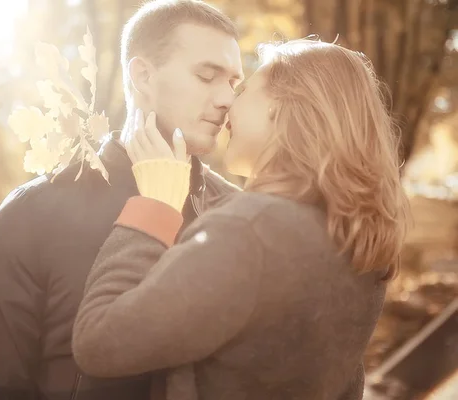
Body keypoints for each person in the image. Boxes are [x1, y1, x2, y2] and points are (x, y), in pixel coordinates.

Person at [72, 39, 412, 400]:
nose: (227, 101)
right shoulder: (357, 238)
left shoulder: (251, 231)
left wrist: (156, 206)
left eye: (244, 88)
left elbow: (98, 342)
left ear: (279, 108)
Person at [0, 1, 243, 399]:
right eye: (207, 76)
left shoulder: (240, 217)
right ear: (143, 75)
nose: (227, 98)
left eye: (234, 83)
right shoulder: (31, 216)